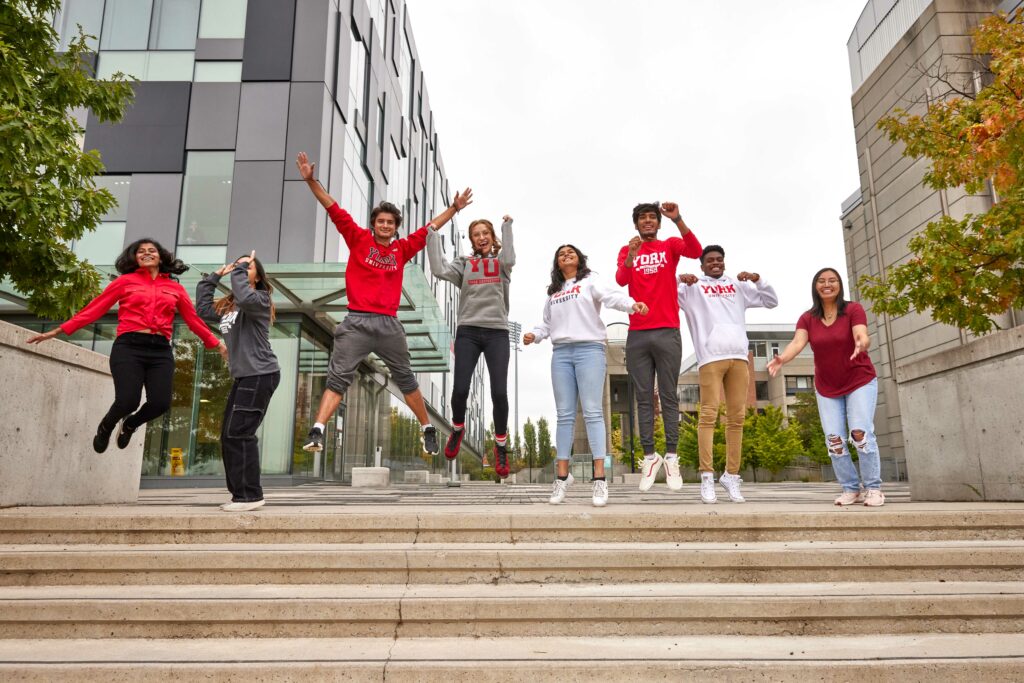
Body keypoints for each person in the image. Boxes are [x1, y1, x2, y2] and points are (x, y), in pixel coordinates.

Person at [295, 151, 469, 456]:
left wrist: (454, 208)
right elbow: (331, 207)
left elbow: (430, 228)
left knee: (406, 377)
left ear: (396, 226)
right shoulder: (358, 238)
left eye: (390, 222)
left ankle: (427, 429)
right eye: (381, 221)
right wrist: (311, 181)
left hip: (388, 324)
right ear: (373, 224)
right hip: (357, 322)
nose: (385, 225)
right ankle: (318, 430)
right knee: (338, 377)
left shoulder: (402, 249)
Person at [26, 239, 226, 453]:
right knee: (128, 401)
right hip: (129, 348)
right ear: (134, 257)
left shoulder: (174, 288)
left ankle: (130, 424)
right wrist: (59, 330)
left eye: (152, 251)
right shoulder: (125, 282)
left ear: (160, 256)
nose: (147, 253)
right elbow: (95, 308)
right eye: (141, 251)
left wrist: (218, 344)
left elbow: (193, 320)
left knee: (160, 403)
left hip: (160, 350)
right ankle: (106, 426)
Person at [525, 245, 648, 506]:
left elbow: (612, 297)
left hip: (589, 349)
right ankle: (561, 477)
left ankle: (600, 480)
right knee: (564, 415)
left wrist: (631, 305)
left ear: (579, 259)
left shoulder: (590, 281)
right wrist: (534, 335)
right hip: (561, 353)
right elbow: (546, 324)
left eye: (571, 252)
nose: (566, 254)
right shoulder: (554, 293)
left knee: (593, 412)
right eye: (561, 253)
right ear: (557, 263)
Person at [767, 267, 883, 507]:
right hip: (827, 386)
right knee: (834, 440)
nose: (826, 284)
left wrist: (863, 341)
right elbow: (798, 343)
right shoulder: (807, 318)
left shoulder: (852, 309)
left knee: (860, 434)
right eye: (821, 281)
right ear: (815, 286)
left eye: (832, 280)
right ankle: (851, 488)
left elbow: (861, 333)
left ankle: (873, 488)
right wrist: (782, 359)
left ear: (839, 285)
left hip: (859, 379)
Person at [677, 245, 778, 504]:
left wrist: (757, 279)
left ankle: (731, 476)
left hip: (739, 357)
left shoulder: (738, 285)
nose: (715, 263)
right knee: (708, 415)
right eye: (710, 260)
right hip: (710, 356)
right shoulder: (692, 287)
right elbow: (662, 293)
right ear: (702, 266)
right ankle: (707, 476)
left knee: (737, 418)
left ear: (724, 262)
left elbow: (771, 301)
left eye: (719, 260)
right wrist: (679, 279)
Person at [615, 201, 702, 492]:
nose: (648, 221)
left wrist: (678, 218)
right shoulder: (628, 250)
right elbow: (621, 279)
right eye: (643, 218)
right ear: (636, 224)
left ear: (658, 223)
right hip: (638, 333)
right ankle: (650, 457)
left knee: (668, 396)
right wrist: (632, 256)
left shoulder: (669, 246)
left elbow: (696, 251)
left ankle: (672, 457)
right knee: (642, 398)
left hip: (667, 331)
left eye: (652, 217)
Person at [427, 213, 514, 477]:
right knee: (460, 388)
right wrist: (432, 234)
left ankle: (500, 445)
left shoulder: (501, 263)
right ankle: (457, 428)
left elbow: (510, 258)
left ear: (492, 237)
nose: (481, 237)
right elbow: (439, 269)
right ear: (472, 240)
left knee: (499, 393)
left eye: (485, 232)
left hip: (497, 332)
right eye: (476, 234)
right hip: (468, 332)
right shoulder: (464, 264)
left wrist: (507, 227)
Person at [196, 251, 279, 512]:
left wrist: (239, 269)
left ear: (257, 276)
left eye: (248, 265)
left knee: (239, 432)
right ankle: (239, 495)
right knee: (228, 434)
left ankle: (250, 496)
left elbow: (244, 294)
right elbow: (202, 310)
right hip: (246, 375)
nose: (241, 267)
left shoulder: (260, 299)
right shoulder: (230, 309)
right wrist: (213, 278)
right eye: (239, 265)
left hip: (260, 373)